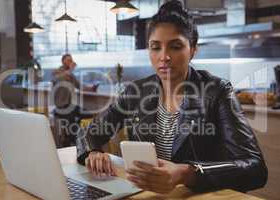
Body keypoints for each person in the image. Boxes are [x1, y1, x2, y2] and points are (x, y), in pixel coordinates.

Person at [76, 0, 268, 194]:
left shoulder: (217, 92)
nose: (164, 56)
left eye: (175, 47)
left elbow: (255, 167)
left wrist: (187, 173)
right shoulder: (136, 91)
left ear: (192, 49)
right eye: (155, 47)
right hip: (146, 194)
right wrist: (92, 151)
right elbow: (88, 132)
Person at [52, 54, 97, 147]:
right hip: (60, 106)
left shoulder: (70, 75)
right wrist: (71, 69)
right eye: (68, 60)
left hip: (69, 105)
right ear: (62, 61)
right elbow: (59, 78)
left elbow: (80, 86)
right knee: (71, 123)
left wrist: (91, 88)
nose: (71, 62)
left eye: (71, 60)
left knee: (88, 114)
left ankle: (70, 137)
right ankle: (70, 141)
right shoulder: (57, 72)